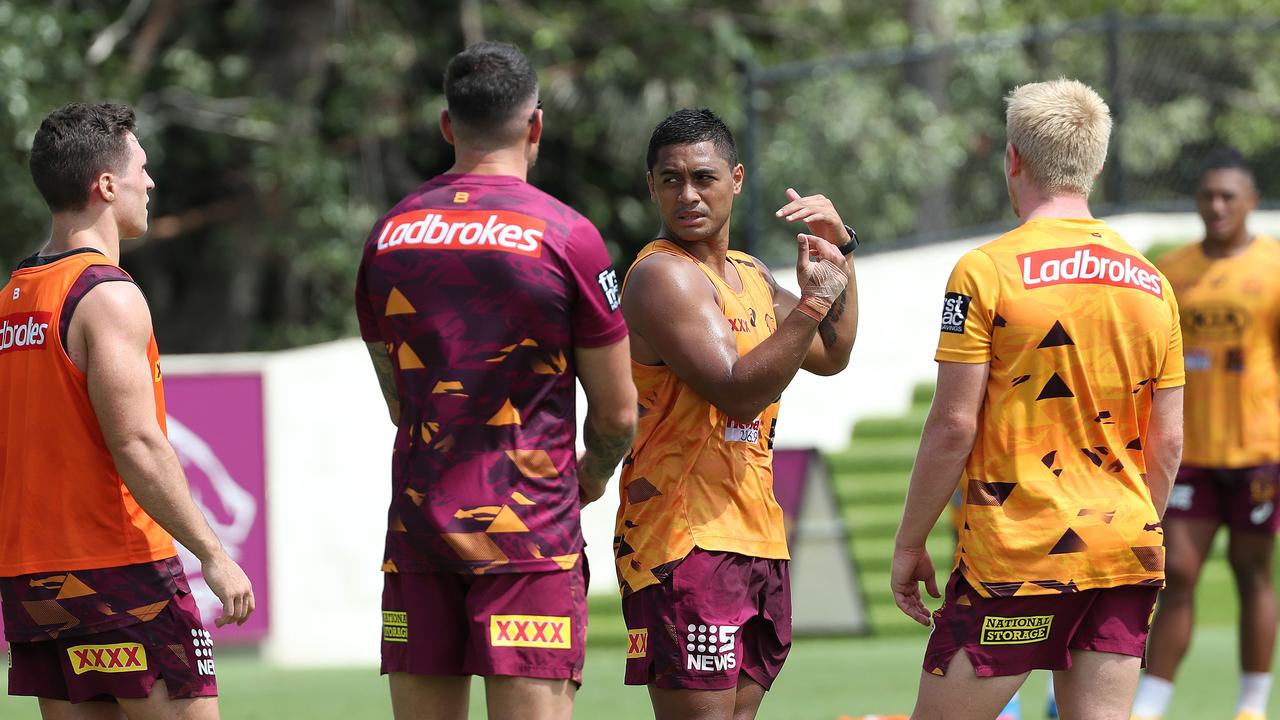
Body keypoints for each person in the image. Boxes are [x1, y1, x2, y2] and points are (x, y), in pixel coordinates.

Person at [354, 42, 637, 720]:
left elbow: (399, 399)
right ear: (535, 125)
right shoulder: (568, 236)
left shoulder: (387, 236)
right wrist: (589, 477)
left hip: (420, 538)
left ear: (448, 126)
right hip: (529, 538)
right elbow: (618, 414)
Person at [891, 79, 1185, 720]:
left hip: (1018, 555)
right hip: (1124, 550)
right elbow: (1169, 442)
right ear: (1097, 164)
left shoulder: (985, 270)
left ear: (1013, 158)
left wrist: (909, 542)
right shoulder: (1153, 282)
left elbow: (951, 424)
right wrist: (1134, 529)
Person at [0, 103, 254, 718]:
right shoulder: (107, 294)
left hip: (34, 579)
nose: (152, 182)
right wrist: (214, 555)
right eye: (142, 167)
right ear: (106, 185)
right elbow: (137, 444)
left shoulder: (13, 294)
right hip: (118, 570)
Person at [615, 108, 859, 720]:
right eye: (670, 180)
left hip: (755, 533)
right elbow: (737, 390)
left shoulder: (748, 273)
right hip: (680, 538)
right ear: (651, 186)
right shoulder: (660, 277)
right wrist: (813, 303)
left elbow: (831, 353)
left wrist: (840, 252)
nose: (688, 194)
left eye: (704, 177)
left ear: (738, 178)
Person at [1134, 149, 1280, 720]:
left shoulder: (1272, 268)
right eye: (1207, 196)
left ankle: (1251, 704)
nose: (1216, 206)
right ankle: (1149, 704)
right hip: (1188, 453)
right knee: (1178, 572)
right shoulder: (1172, 270)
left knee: (1252, 572)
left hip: (1257, 455)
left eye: (1228, 196)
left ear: (1251, 201)